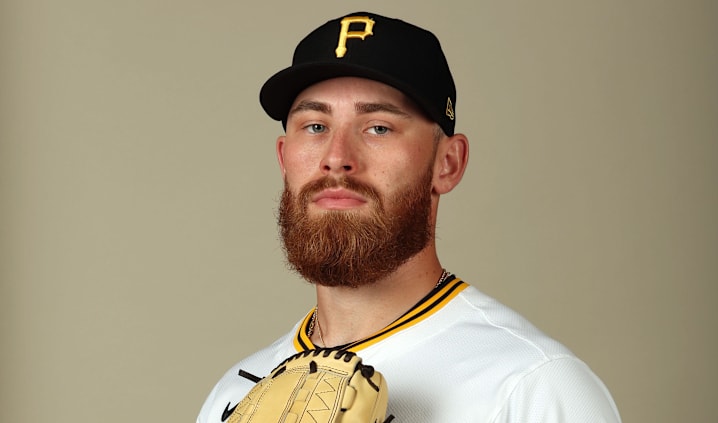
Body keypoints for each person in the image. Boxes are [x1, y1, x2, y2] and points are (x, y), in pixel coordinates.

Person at [197, 11, 621, 422]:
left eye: (378, 127)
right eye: (315, 126)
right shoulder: (235, 396)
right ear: (284, 157)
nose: (337, 159)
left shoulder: (533, 387)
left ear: (448, 164)